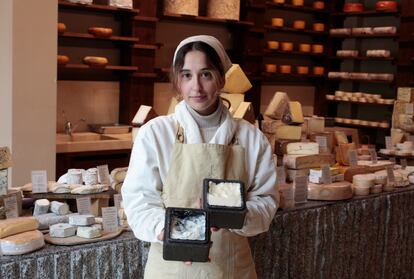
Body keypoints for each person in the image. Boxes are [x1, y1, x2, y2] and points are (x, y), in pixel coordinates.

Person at [122, 35, 278, 279]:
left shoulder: (251, 138)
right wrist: (172, 231)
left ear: (221, 79)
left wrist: (237, 215)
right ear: (178, 82)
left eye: (205, 74)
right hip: (170, 270)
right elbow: (138, 201)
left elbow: (266, 201)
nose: (196, 86)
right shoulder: (156, 133)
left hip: (232, 269)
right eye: (186, 75)